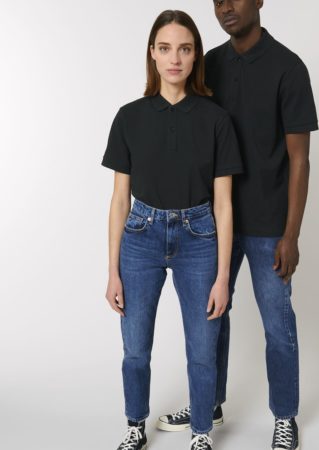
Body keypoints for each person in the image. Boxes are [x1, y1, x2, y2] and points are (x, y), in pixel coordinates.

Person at [157, 1, 318, 449]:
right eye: (217, 0)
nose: (225, 6)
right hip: (211, 223)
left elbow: (300, 159)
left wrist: (291, 234)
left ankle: (284, 416)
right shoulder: (208, 65)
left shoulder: (288, 68)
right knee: (210, 318)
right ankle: (208, 403)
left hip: (269, 226)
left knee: (276, 324)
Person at [102, 9, 243, 450]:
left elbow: (224, 203)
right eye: (165, 49)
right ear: (153, 54)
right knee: (135, 347)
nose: (175, 59)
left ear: (195, 54)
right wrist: (112, 271)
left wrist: (222, 277)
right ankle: (135, 425)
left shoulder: (216, 120)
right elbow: (119, 200)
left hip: (199, 238)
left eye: (184, 49)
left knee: (202, 348)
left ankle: (201, 431)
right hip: (140, 236)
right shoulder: (129, 117)